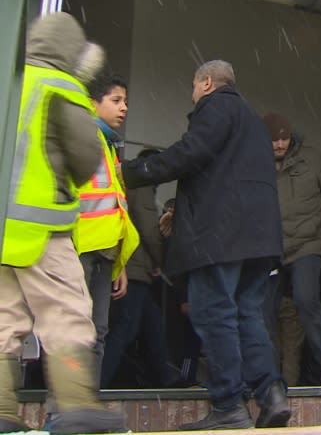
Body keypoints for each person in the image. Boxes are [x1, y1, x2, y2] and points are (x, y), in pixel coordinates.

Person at [120, 60, 288, 430]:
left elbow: (189, 154)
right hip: (258, 237)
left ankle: (229, 405)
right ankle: (270, 393)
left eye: (194, 88)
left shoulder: (216, 107)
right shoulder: (252, 121)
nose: (193, 95)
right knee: (247, 314)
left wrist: (131, 171)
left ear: (207, 82)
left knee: (214, 313)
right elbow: (227, 177)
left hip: (220, 236)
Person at [0, 12, 126, 434]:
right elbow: (85, 159)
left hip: (2, 231)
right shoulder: (61, 87)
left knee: (4, 324)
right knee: (66, 314)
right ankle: (75, 409)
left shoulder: (9, 81)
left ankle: (2, 413)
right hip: (42, 229)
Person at [263, 113, 321, 387]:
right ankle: (269, 377)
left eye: (284, 138)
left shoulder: (312, 159)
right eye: (274, 140)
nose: (279, 144)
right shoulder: (256, 164)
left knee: (305, 299)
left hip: (308, 243)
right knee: (264, 309)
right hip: (272, 249)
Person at [76, 72, 139, 382]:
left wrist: (119, 262)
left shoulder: (109, 144)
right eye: (116, 101)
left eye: (125, 101)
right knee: (77, 331)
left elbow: (115, 205)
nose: (124, 108)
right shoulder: (84, 137)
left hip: (104, 251)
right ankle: (67, 410)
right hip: (79, 248)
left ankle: (85, 405)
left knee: (98, 330)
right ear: (93, 103)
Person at [101, 147, 178, 388]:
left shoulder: (127, 183)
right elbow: (148, 229)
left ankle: (166, 376)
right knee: (125, 328)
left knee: (151, 323)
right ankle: (98, 384)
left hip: (132, 266)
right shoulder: (142, 185)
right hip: (134, 268)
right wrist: (161, 261)